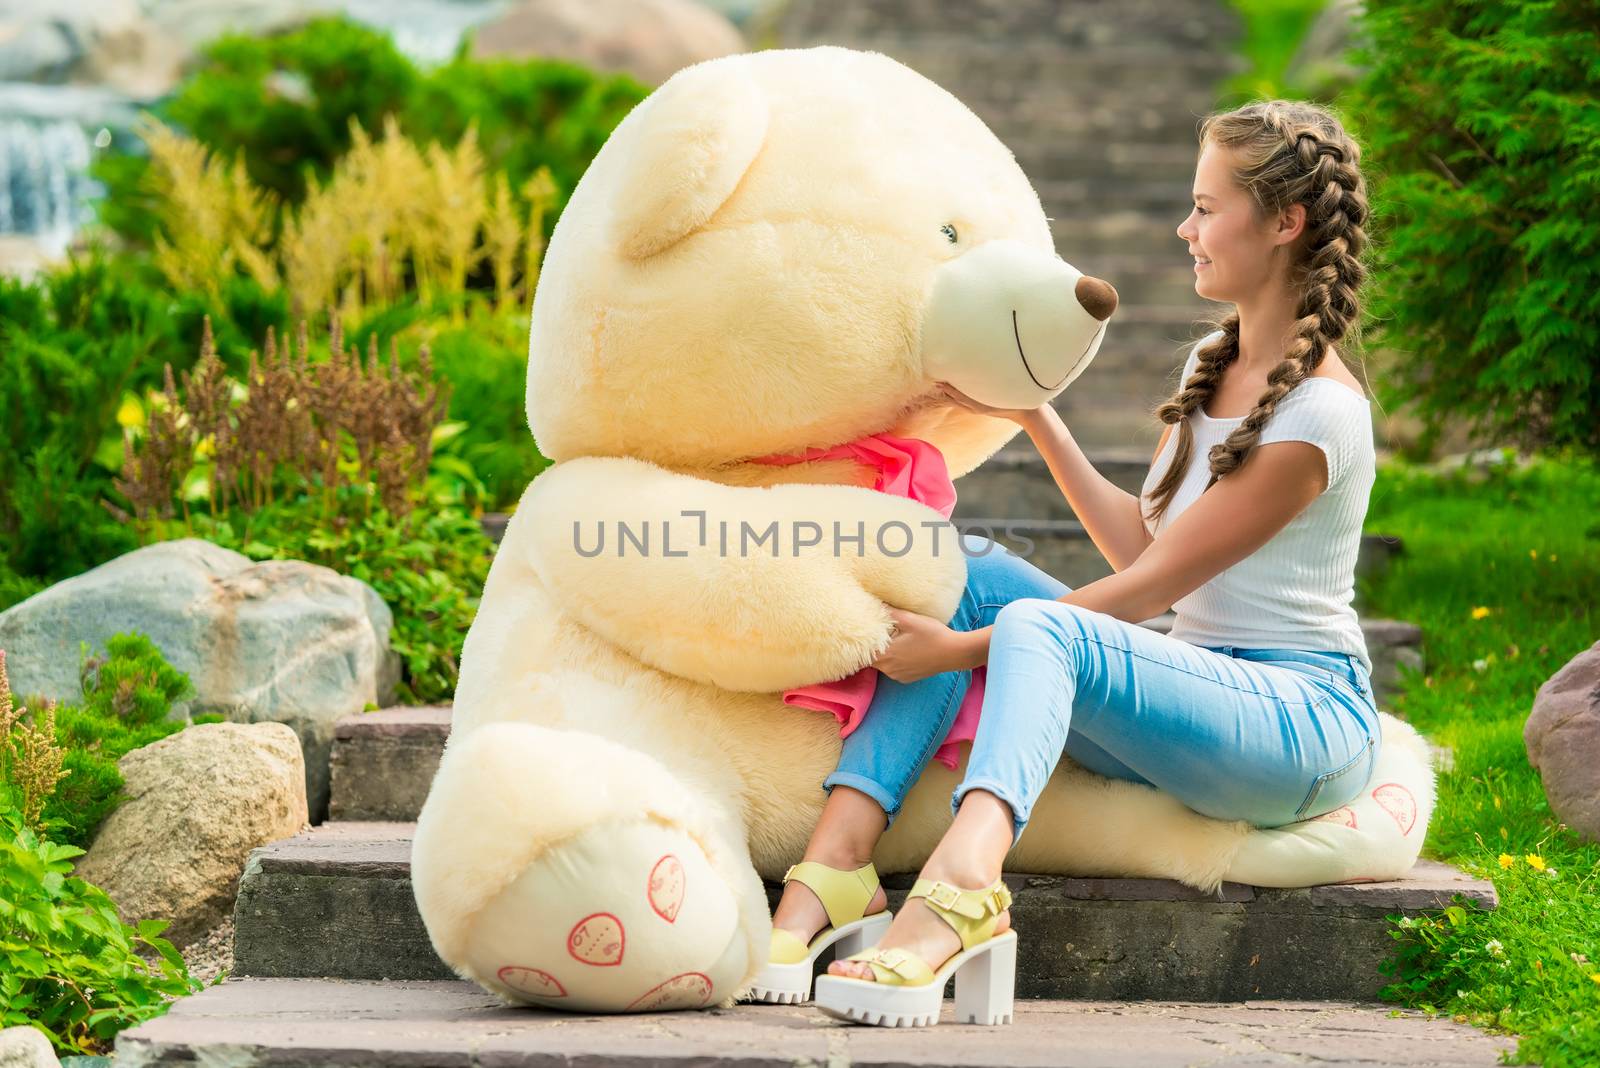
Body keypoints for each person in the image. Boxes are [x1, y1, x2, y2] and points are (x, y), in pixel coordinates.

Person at [752, 98, 1383, 1028]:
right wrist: (1030, 414)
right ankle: (836, 869)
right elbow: (1146, 548)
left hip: (1298, 724)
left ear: (1284, 222)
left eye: (1208, 207)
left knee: (1036, 624)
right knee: (964, 569)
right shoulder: (1216, 359)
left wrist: (959, 654)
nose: (1186, 228)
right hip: (1198, 686)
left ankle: (963, 883)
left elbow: (1145, 593)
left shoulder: (1321, 415)